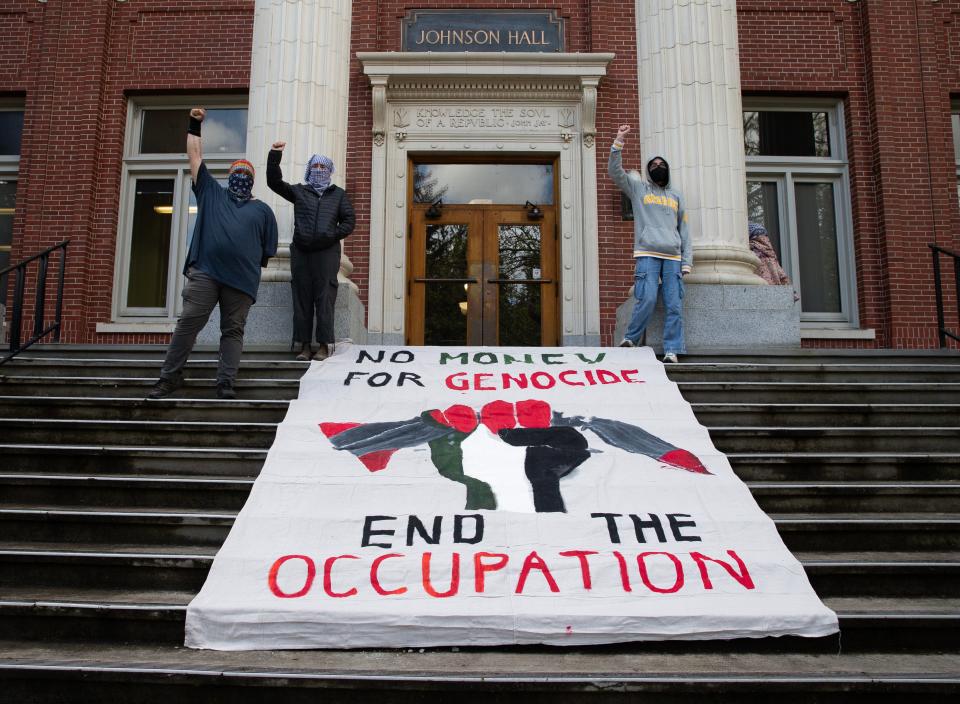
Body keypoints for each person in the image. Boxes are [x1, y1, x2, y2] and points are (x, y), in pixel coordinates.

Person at [147, 108, 278, 400]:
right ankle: (168, 378)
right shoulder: (210, 191)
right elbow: (194, 156)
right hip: (205, 272)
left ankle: (225, 383)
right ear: (228, 176)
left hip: (241, 282)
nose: (241, 176)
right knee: (188, 323)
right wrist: (195, 124)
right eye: (236, 172)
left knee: (233, 332)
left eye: (246, 173)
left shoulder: (264, 211)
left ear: (252, 180)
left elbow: (265, 251)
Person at [608, 124, 691, 363]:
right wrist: (618, 141)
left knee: (674, 305)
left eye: (661, 165)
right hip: (647, 253)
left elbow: (684, 229)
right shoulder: (639, 189)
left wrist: (687, 261)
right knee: (648, 299)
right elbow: (615, 173)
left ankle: (673, 349)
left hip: (673, 258)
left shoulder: (676, 197)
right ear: (647, 171)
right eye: (653, 165)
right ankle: (631, 338)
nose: (657, 168)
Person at [267, 142, 355, 361]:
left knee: (325, 298)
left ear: (329, 171)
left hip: (327, 253)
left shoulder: (338, 195)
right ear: (309, 169)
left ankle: (324, 346)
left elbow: (349, 221)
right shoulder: (299, 191)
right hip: (302, 253)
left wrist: (330, 235)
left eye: (323, 167)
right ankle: (304, 346)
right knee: (302, 298)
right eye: (315, 165)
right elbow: (274, 182)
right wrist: (275, 155)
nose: (319, 169)